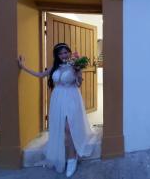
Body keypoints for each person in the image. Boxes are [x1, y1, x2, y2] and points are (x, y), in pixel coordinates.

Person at [18, 43, 97, 177]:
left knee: (69, 128)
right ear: (57, 55)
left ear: (70, 53)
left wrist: (78, 72)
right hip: (57, 99)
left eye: (66, 52)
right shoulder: (55, 67)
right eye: (60, 53)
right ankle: (69, 154)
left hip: (72, 98)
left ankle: (72, 158)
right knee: (61, 128)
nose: (63, 55)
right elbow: (40, 75)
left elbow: (78, 84)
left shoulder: (75, 66)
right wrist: (23, 67)